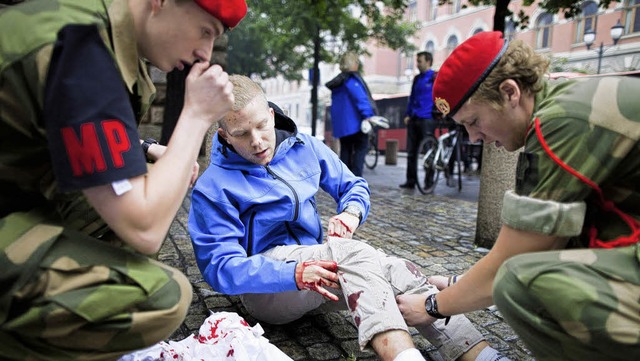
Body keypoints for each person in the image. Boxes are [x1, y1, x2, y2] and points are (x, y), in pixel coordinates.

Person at [188, 74, 509, 361]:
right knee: (354, 254)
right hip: (267, 290)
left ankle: (481, 355)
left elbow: (353, 186)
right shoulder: (213, 186)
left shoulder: (305, 147)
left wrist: (351, 213)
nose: (257, 141)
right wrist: (295, 273)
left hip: (318, 270)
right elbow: (220, 268)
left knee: (393, 271)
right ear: (225, 135)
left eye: (261, 126)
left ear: (272, 115)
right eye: (242, 133)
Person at [0, 0, 246, 359]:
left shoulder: (96, 30)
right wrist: (196, 115)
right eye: (205, 31)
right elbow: (143, 227)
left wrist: (147, 150)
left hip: (17, 195)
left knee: (148, 183)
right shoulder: (82, 48)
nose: (204, 54)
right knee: (163, 297)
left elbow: (75, 124)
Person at [396, 31, 640, 361]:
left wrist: (431, 306)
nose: (474, 137)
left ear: (509, 92)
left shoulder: (559, 122)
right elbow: (544, 238)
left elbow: (512, 262)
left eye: (474, 121)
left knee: (518, 282)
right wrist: (460, 282)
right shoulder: (561, 97)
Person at [325, 51, 377, 177]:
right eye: (356, 61)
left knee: (345, 152)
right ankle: (355, 182)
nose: (358, 64)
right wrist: (369, 116)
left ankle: (345, 181)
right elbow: (361, 99)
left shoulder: (338, 83)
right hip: (355, 125)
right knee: (360, 150)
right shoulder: (351, 80)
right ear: (352, 63)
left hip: (342, 127)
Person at [399, 51, 438, 189]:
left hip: (427, 119)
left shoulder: (434, 77)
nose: (417, 64)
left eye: (419, 61)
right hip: (414, 119)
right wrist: (407, 114)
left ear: (428, 61)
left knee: (428, 151)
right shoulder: (417, 79)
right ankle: (411, 181)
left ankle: (429, 182)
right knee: (411, 152)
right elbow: (412, 97)